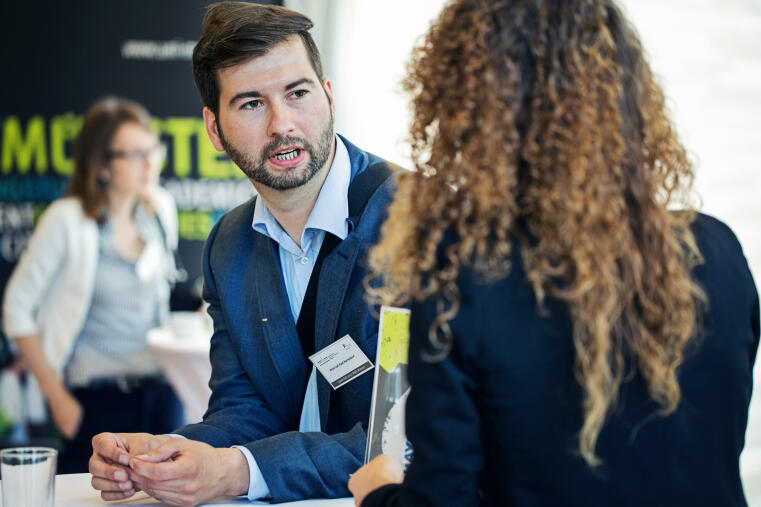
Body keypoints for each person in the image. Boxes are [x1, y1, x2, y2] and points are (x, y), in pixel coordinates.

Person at [348, 0, 760, 506]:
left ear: (464, 108)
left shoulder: (461, 276)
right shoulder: (717, 252)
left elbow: (443, 499)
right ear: (627, 95)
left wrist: (379, 492)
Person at [89, 3, 397, 505]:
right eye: (252, 104)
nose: (281, 124)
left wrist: (238, 471)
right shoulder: (229, 244)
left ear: (328, 95)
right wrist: (164, 453)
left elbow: (404, 438)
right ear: (214, 129)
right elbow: (245, 411)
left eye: (297, 93)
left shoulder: (420, 221)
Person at [2, 97, 183, 473]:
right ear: (101, 166)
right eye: (135, 154)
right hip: (96, 402)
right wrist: (57, 396)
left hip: (162, 395)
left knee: (167, 493)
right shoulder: (67, 220)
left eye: (153, 150)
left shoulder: (160, 209)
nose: (150, 163)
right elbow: (16, 309)